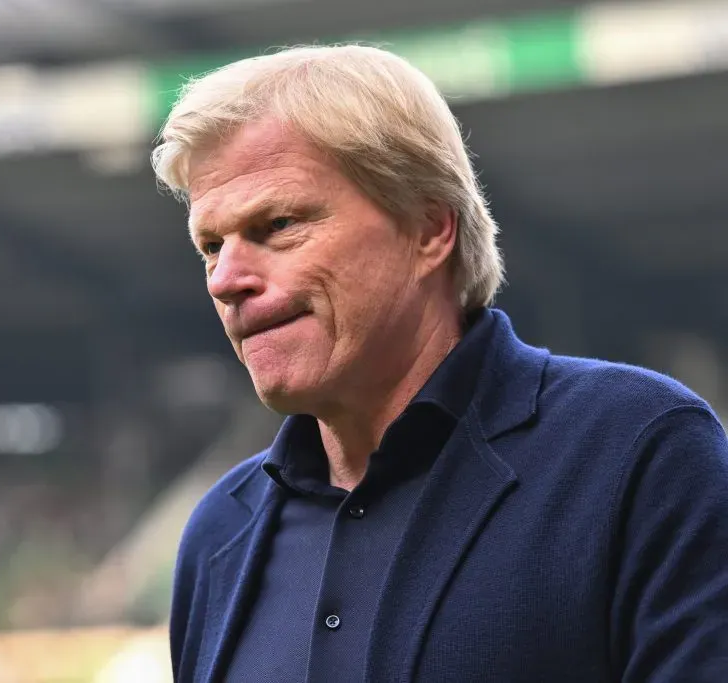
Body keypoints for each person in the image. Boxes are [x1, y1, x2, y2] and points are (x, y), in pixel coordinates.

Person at [151, 44, 728, 682]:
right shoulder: (219, 533)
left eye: (279, 224)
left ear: (429, 228)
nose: (225, 279)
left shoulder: (636, 449)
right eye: (210, 245)